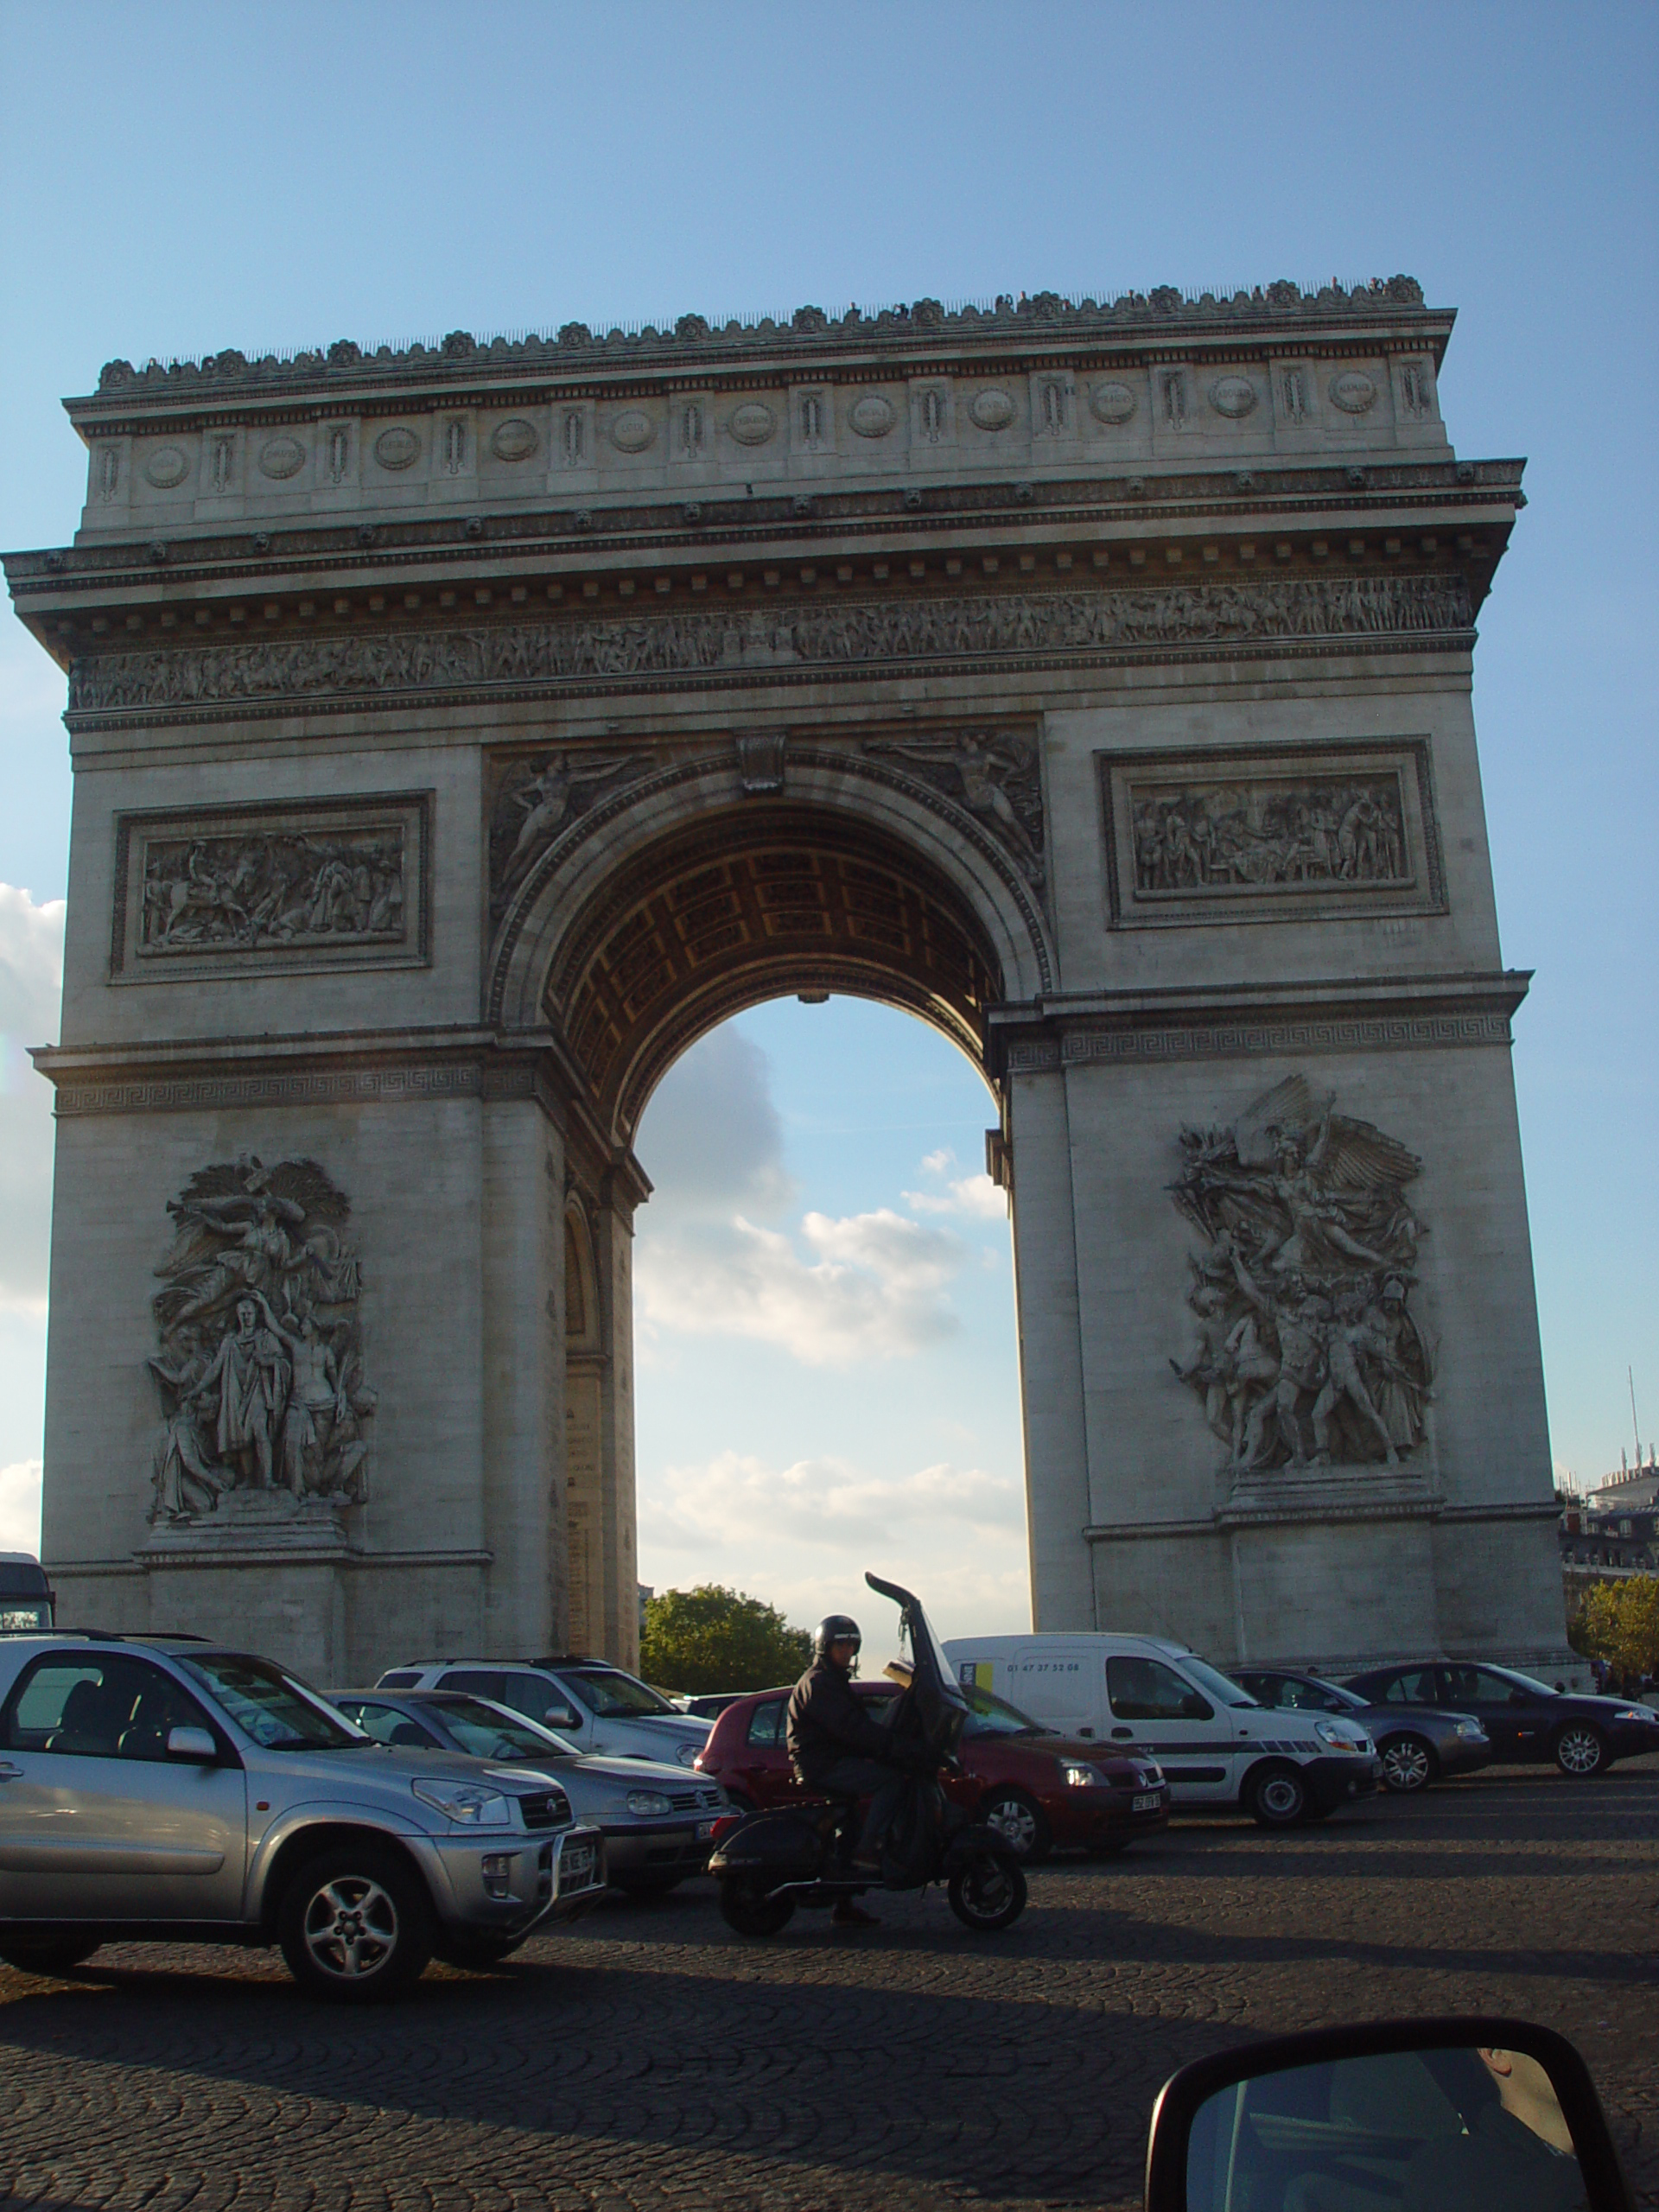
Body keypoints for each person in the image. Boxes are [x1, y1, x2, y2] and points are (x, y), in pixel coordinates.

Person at [786, 1615, 912, 1928]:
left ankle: (844, 1905)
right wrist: (891, 1745)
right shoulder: (819, 1683)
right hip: (821, 1764)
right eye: (840, 1645)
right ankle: (869, 1851)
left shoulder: (832, 1680)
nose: (847, 1651)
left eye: (851, 1645)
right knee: (891, 1780)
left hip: (828, 1759)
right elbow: (850, 1729)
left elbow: (852, 1722)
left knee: (850, 1824)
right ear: (825, 1647)